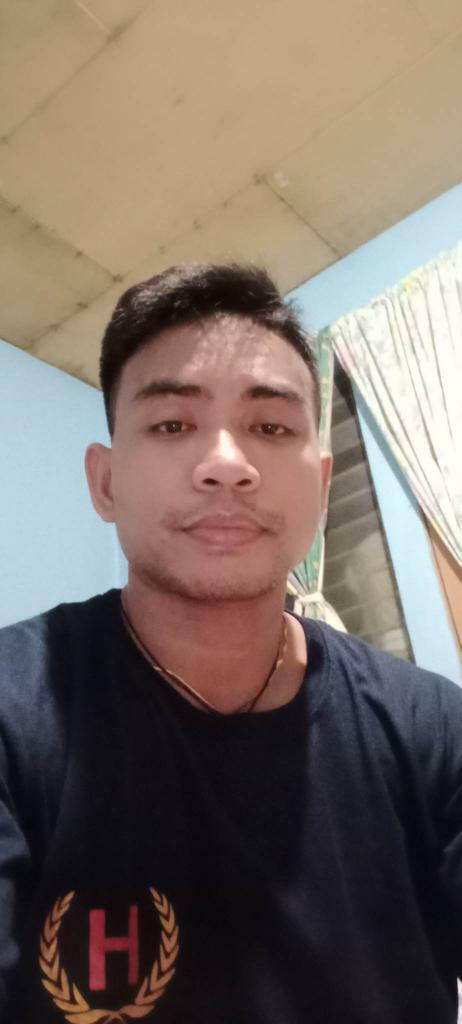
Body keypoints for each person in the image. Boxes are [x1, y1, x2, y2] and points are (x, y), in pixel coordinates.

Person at [0, 263, 461, 1024]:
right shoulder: (16, 713)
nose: (226, 465)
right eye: (173, 424)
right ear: (106, 483)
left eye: (271, 427)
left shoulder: (434, 729)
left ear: (321, 487)